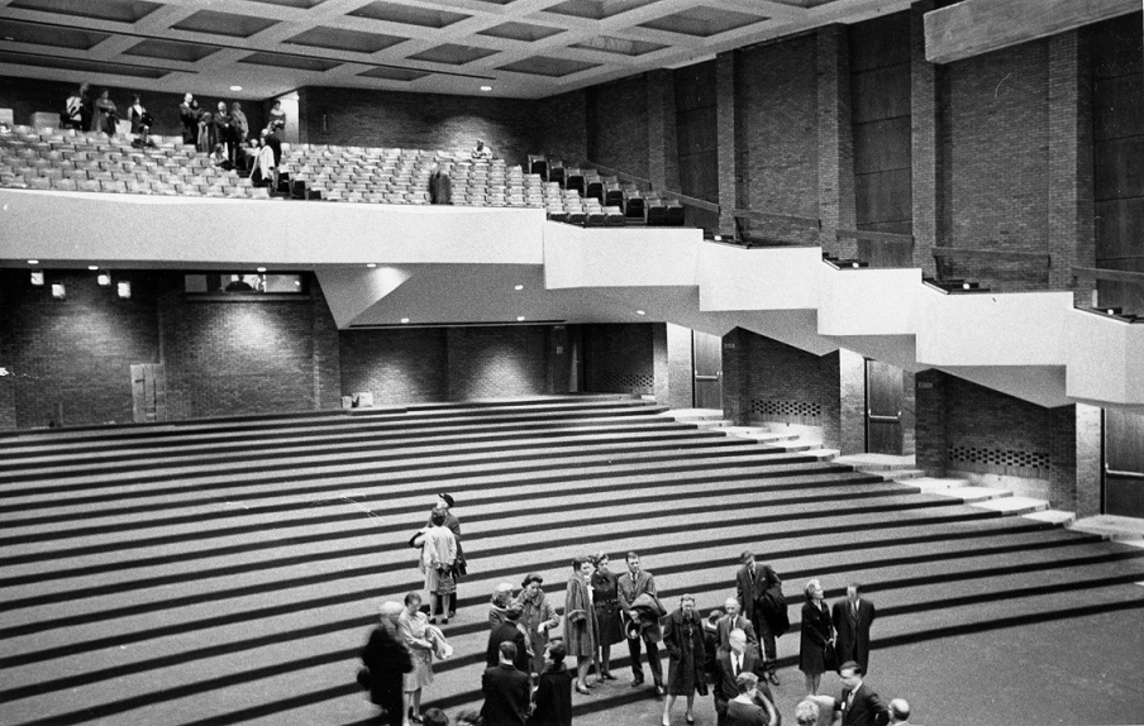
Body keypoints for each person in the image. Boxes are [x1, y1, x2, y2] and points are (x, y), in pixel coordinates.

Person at [618, 550, 664, 696]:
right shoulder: (621, 580)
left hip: (647, 619)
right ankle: (638, 675)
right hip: (631, 620)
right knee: (634, 649)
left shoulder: (648, 577)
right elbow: (620, 599)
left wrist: (638, 612)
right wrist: (631, 613)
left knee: (653, 651)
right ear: (627, 564)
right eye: (632, 563)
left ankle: (658, 681)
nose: (635, 566)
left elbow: (651, 597)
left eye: (637, 562)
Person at [361, 601, 414, 725]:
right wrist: (406, 652)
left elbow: (366, 656)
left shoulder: (377, 633)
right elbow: (406, 665)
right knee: (395, 718)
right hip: (391, 686)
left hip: (380, 684)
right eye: (400, 615)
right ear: (392, 616)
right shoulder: (388, 637)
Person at [736, 551, 783, 685]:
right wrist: (738, 608)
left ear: (753, 558)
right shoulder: (741, 574)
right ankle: (761, 669)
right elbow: (740, 593)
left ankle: (772, 670)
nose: (749, 566)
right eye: (746, 564)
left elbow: (777, 584)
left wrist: (767, 596)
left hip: (765, 610)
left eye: (750, 563)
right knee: (755, 640)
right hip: (751, 613)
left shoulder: (764, 569)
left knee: (769, 640)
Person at [661, 594, 707, 726]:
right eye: (686, 606)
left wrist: (701, 652)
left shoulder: (696, 616)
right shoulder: (672, 618)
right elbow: (667, 638)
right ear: (681, 604)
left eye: (690, 606)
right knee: (673, 688)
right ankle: (666, 713)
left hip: (694, 658)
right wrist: (676, 652)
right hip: (679, 659)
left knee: (691, 687)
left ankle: (689, 711)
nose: (688, 608)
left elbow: (701, 635)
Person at [399, 591, 443, 726]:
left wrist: (432, 640)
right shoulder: (403, 619)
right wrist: (427, 644)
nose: (417, 609)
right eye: (414, 606)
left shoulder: (422, 616)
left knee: (419, 685)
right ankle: (405, 718)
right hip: (410, 655)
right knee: (409, 687)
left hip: (423, 654)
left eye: (419, 606)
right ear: (407, 605)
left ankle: (416, 713)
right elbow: (409, 640)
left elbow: (427, 630)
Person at [714, 628, 767, 726]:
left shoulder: (753, 659)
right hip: (727, 711)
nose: (744, 645)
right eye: (740, 642)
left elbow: (762, 681)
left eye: (744, 642)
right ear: (731, 642)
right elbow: (718, 684)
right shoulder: (721, 660)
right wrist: (718, 703)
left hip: (748, 712)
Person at [416, 507, 458, 624]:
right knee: (445, 592)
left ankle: (433, 615)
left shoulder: (430, 533)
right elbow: (453, 548)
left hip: (434, 566)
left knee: (433, 591)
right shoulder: (448, 531)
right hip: (446, 564)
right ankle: (445, 614)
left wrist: (437, 565)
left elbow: (432, 551)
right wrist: (450, 563)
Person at [563, 555, 597, 695]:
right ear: (577, 568)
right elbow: (574, 604)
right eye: (585, 568)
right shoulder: (575, 582)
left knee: (583, 653)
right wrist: (581, 618)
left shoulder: (582, 580)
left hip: (586, 618)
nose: (588, 570)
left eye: (589, 567)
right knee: (589, 652)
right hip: (580, 622)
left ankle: (581, 678)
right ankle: (580, 682)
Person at [515, 573, 559, 678]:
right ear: (525, 587)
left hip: (539, 642)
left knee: (541, 669)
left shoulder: (544, 602)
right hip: (524, 641)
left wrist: (544, 624)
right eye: (532, 587)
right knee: (524, 670)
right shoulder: (519, 601)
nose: (535, 590)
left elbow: (555, 619)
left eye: (537, 588)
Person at [427, 493, 464, 619]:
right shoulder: (433, 516)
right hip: (437, 552)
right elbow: (427, 528)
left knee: (450, 583)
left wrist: (446, 536)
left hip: (449, 554)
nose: (438, 501)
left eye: (441, 500)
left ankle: (451, 608)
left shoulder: (453, 520)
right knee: (436, 581)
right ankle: (438, 608)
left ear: (446, 504)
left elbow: (458, 536)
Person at [480, 641, 531, 726]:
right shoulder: (523, 677)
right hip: (515, 720)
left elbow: (485, 691)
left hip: (493, 719)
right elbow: (525, 701)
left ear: (500, 654)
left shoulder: (490, 673)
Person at [590, 551, 623, 680]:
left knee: (607, 642)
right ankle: (598, 671)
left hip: (611, 612)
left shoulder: (613, 577)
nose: (605, 566)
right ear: (596, 565)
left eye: (606, 564)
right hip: (598, 614)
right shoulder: (591, 580)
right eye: (602, 564)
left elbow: (618, 593)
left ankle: (606, 669)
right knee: (597, 643)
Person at [800, 579, 834, 697]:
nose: (822, 591)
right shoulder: (806, 608)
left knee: (818, 672)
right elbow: (810, 628)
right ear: (812, 593)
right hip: (811, 644)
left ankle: (815, 694)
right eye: (819, 590)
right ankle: (810, 695)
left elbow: (829, 623)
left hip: (822, 643)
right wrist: (823, 640)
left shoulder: (824, 605)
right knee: (810, 672)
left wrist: (831, 637)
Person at [833, 584, 875, 674]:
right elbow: (835, 621)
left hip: (860, 642)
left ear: (859, 594)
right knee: (845, 669)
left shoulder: (868, 606)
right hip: (845, 643)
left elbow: (869, 620)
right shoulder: (839, 606)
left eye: (852, 594)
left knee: (860, 669)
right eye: (848, 593)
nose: (849, 596)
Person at [531, 642, 573, 726]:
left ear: (553, 658)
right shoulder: (567, 674)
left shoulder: (547, 677)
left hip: (550, 717)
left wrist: (534, 694)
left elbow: (541, 699)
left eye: (546, 653)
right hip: (564, 713)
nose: (544, 655)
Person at [835, 661, 889, 726]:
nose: (841, 681)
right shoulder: (845, 691)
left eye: (845, 678)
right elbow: (846, 706)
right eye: (841, 677)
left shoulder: (867, 695)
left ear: (857, 676)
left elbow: (885, 711)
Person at [486, 603, 530, 673]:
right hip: (510, 674)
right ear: (520, 617)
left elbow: (489, 654)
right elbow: (521, 662)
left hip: (494, 672)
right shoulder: (518, 635)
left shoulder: (495, 630)